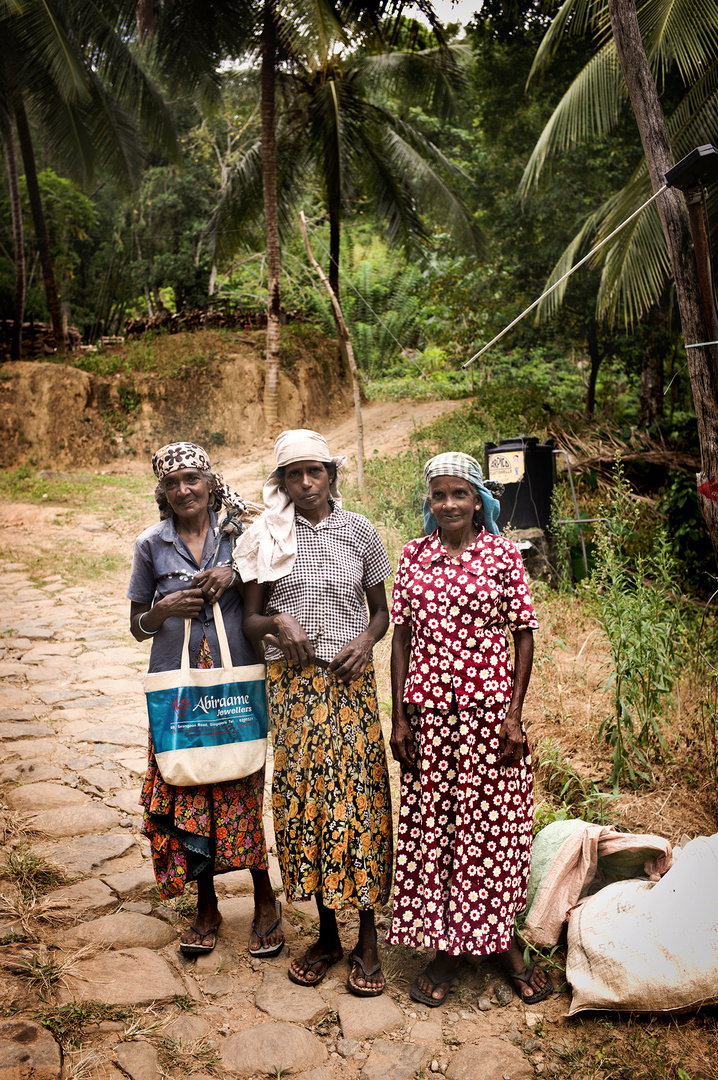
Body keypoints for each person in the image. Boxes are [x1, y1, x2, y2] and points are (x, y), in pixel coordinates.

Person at [387, 451, 553, 1006]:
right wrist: (401, 717)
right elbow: (402, 638)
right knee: (436, 831)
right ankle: (449, 948)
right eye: (439, 494)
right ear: (428, 502)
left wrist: (513, 715)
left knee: (496, 835)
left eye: (460, 493)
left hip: (489, 720)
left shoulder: (503, 555)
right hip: (430, 720)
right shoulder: (413, 557)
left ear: (478, 498)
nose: (449, 504)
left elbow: (523, 633)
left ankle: (500, 942)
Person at [239, 429, 393, 997]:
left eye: (315, 472)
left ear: (332, 474)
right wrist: (280, 623)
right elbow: (250, 620)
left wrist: (366, 641)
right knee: (307, 802)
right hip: (291, 688)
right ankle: (328, 936)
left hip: (348, 684)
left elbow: (382, 611)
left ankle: (368, 939)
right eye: (293, 475)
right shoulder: (265, 536)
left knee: (359, 799)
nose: (305, 484)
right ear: (280, 481)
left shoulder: (360, 532)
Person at [128, 441, 283, 959]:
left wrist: (234, 572)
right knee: (190, 787)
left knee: (241, 783)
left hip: (236, 681)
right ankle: (207, 905)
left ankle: (265, 899)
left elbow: (279, 551)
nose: (183, 490)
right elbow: (136, 626)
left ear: (210, 482)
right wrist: (164, 608)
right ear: (162, 493)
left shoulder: (241, 532)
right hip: (179, 686)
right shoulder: (152, 544)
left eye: (192, 479)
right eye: (171, 483)